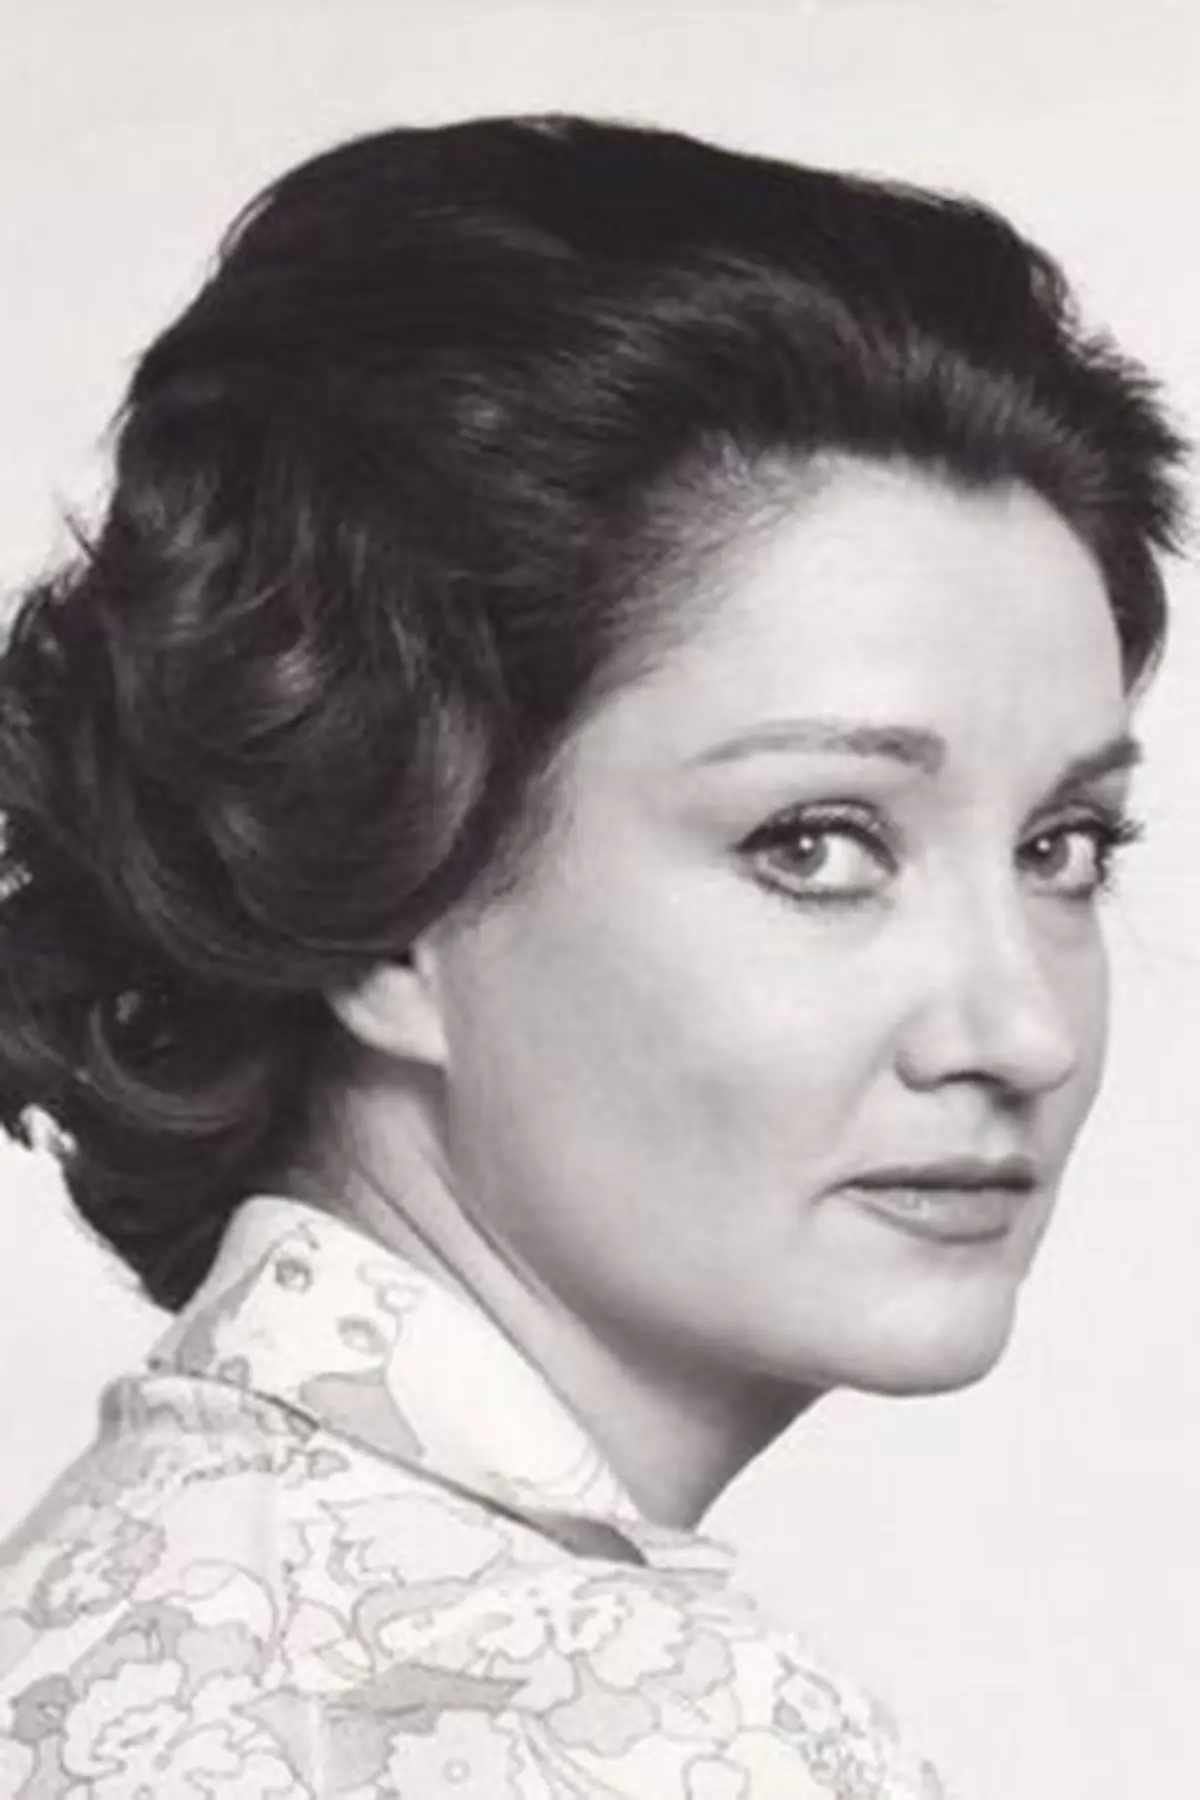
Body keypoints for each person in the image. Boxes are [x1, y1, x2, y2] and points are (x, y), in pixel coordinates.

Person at [0, 114, 1187, 1798]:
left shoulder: (105, 1622)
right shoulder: (639, 1734)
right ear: (390, 887)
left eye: (1062, 847)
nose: (1021, 1030)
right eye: (816, 843)